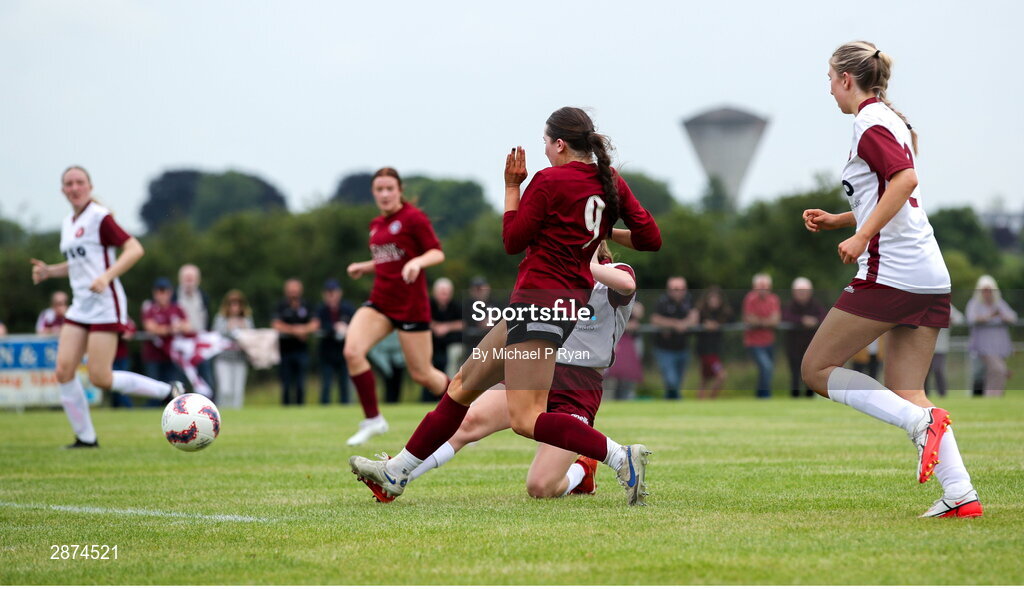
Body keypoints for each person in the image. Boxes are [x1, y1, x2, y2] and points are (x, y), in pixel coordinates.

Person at [350, 106, 662, 506]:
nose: (545, 152)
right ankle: (396, 472)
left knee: (526, 419)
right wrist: (602, 230)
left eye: (546, 144)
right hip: (545, 305)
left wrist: (512, 186)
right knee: (461, 387)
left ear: (560, 144)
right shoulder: (609, 181)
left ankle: (622, 458)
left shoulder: (548, 181)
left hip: (540, 303)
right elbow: (650, 238)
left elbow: (513, 240)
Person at [801, 42, 981, 518]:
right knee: (909, 391)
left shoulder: (867, 121)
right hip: (927, 273)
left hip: (893, 273)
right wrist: (842, 221)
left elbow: (903, 182)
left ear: (846, 79)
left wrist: (860, 237)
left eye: (829, 77)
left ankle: (921, 426)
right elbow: (886, 191)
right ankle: (960, 492)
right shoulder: (889, 118)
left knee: (815, 369)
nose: (828, 87)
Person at [360, 243, 637, 502]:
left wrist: (575, 264)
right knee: (467, 423)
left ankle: (582, 472)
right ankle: (396, 477)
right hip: (535, 366)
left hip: (578, 384)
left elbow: (627, 284)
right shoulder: (556, 279)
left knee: (540, 487)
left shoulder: (614, 273)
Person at [30, 166, 183, 448]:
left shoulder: (99, 218)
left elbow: (135, 249)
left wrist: (107, 276)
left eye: (79, 182)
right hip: (80, 306)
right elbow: (79, 265)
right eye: (68, 184)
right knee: (64, 371)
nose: (74, 187)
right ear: (63, 190)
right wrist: (50, 271)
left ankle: (168, 391)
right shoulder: (68, 222)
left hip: (104, 304)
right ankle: (86, 438)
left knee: (101, 377)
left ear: (89, 186)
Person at [342, 167, 449, 445]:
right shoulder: (376, 225)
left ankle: (465, 412)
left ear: (399, 190)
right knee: (353, 351)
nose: (385, 194)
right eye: (380, 189)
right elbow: (387, 259)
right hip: (380, 303)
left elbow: (436, 252)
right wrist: (364, 267)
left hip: (411, 306)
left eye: (390, 188)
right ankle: (373, 420)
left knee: (423, 375)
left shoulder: (414, 218)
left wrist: (417, 262)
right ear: (374, 193)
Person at [966, 275, 1017, 397]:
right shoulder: (974, 303)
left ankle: (992, 397)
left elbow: (1013, 317)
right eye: (984, 290)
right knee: (999, 370)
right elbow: (971, 318)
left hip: (1000, 345)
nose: (987, 293)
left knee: (994, 372)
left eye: (989, 290)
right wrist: (990, 316)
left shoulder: (999, 303)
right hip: (983, 346)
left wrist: (1003, 316)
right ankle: (993, 396)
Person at [142, 278, 192, 401]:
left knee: (174, 386)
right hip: (154, 355)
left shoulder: (177, 308)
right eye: (159, 291)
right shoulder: (150, 308)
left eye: (165, 291)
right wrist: (171, 329)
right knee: (153, 386)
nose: (162, 295)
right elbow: (151, 328)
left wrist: (175, 327)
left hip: (173, 355)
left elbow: (187, 326)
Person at [272, 278, 320, 406]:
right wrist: (296, 331)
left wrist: (303, 329)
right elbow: (276, 324)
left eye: (295, 289)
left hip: (301, 350)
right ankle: (286, 408)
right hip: (285, 351)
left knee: (300, 383)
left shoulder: (306, 305)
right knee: (286, 384)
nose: (293, 292)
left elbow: (315, 324)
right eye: (291, 290)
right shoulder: (281, 305)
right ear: (286, 291)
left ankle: (300, 407)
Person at [650, 276, 698, 400]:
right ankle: (676, 400)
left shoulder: (688, 300)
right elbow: (655, 319)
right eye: (675, 289)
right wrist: (675, 324)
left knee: (677, 380)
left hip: (682, 347)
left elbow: (694, 317)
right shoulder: (662, 301)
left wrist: (684, 324)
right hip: (664, 348)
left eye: (681, 289)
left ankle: (670, 402)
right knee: (671, 379)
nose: (678, 292)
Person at [781, 277, 826, 397]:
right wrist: (802, 320)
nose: (802, 294)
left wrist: (814, 321)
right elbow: (785, 317)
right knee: (795, 372)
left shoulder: (815, 305)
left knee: (810, 372)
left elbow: (824, 317)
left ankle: (810, 396)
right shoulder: (790, 305)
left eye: (804, 291)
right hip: (793, 346)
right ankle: (794, 396)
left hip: (810, 346)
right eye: (799, 291)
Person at [174, 264, 214, 395]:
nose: (189, 282)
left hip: (199, 343)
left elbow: (208, 318)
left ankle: (208, 402)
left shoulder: (203, 296)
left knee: (205, 375)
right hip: (180, 344)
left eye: (192, 278)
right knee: (181, 376)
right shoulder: (174, 296)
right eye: (187, 278)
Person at [212, 289, 254, 409]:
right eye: (232, 303)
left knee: (238, 390)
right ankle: (222, 411)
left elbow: (252, 337)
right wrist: (228, 327)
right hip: (223, 359)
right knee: (225, 389)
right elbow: (215, 335)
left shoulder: (247, 319)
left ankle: (237, 413)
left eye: (237, 303)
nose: (235, 307)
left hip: (240, 359)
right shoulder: (220, 318)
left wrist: (244, 328)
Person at [316, 279, 355, 405]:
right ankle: (324, 407)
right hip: (327, 353)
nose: (331, 295)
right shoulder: (320, 310)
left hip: (344, 352)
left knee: (344, 383)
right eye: (329, 292)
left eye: (334, 292)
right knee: (326, 384)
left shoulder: (348, 308)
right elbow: (316, 327)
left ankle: (345, 406)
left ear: (339, 293)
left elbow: (356, 326)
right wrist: (334, 328)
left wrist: (346, 329)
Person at [743, 273, 780, 399]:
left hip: (768, 341)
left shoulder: (773, 299)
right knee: (766, 367)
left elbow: (775, 320)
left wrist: (759, 322)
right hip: (753, 342)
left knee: (766, 369)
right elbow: (750, 319)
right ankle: (765, 395)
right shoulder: (750, 298)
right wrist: (766, 322)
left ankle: (760, 394)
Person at [426, 277, 463, 402]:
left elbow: (464, 322)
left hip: (450, 345)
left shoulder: (456, 306)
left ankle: (450, 395)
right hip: (431, 346)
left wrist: (447, 327)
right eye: (442, 292)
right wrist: (435, 326)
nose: (444, 295)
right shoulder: (427, 305)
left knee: (453, 359)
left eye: (446, 292)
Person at [695, 286, 732, 400]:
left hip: (715, 351)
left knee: (705, 378)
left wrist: (718, 324)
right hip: (706, 352)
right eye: (712, 299)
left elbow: (731, 320)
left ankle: (701, 399)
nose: (714, 302)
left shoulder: (723, 313)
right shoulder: (700, 312)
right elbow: (694, 325)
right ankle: (712, 398)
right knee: (721, 375)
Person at [603, 300, 644, 400]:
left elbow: (639, 312)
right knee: (609, 379)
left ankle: (627, 400)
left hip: (629, 343)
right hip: (611, 340)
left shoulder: (631, 296)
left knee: (628, 377)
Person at [926, 305, 963, 398]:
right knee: (925, 372)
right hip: (925, 345)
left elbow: (960, 319)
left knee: (937, 369)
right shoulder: (923, 302)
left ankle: (942, 393)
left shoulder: (945, 304)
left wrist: (950, 320)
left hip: (940, 346)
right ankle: (924, 394)